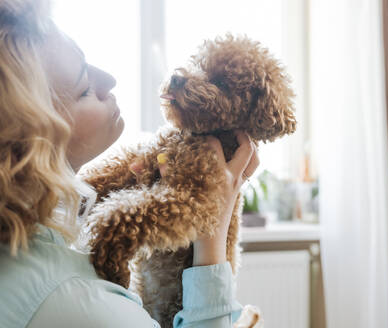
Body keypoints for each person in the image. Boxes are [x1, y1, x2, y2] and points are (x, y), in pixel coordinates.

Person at [0, 1, 259, 327]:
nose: (109, 80)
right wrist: (212, 232)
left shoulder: (32, 241)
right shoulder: (77, 303)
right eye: (84, 89)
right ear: (32, 136)